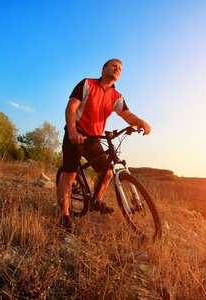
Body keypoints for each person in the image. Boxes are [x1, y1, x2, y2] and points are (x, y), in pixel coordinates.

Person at [57, 58, 151, 231]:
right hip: (76, 136)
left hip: (94, 139)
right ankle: (64, 215)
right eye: (114, 66)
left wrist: (140, 122)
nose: (117, 69)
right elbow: (71, 108)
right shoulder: (87, 84)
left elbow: (128, 115)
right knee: (69, 176)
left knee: (107, 174)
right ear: (104, 68)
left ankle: (96, 202)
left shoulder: (116, 96)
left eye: (120, 68)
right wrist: (72, 131)